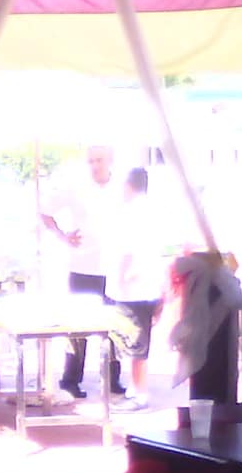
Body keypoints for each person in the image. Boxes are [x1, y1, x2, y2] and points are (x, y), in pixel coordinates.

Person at [40, 143, 124, 398]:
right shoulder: (75, 187)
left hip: (114, 266)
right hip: (82, 265)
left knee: (115, 326)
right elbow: (45, 212)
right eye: (91, 161)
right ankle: (71, 379)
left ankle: (112, 378)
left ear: (110, 160)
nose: (95, 165)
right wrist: (62, 235)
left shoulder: (122, 187)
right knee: (78, 326)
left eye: (99, 160)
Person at [110, 167, 168, 403]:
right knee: (140, 339)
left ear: (127, 186)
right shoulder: (156, 210)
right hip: (150, 284)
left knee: (136, 341)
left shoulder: (130, 212)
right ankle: (136, 388)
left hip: (133, 285)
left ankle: (140, 392)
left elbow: (127, 249)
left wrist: (120, 276)